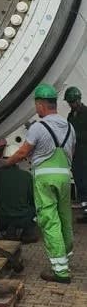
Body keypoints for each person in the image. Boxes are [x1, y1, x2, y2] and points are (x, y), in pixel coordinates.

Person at [2, 83, 75, 284]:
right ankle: (64, 257)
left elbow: (23, 152)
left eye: (36, 105)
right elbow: (71, 153)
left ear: (41, 104)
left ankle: (60, 271)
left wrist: (5, 163)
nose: (36, 109)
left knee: (49, 220)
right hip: (64, 178)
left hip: (44, 179)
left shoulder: (38, 127)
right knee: (64, 217)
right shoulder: (69, 127)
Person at [0, 144, 37, 243]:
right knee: (34, 208)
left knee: (6, 217)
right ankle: (27, 232)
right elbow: (33, 199)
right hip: (24, 217)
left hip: (4, 217)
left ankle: (8, 230)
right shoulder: (27, 176)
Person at [64, 86, 87, 223]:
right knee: (80, 183)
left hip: (85, 154)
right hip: (76, 156)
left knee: (86, 183)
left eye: (72, 102)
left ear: (78, 100)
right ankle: (85, 211)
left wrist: (75, 136)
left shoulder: (86, 113)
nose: (71, 105)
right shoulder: (71, 115)